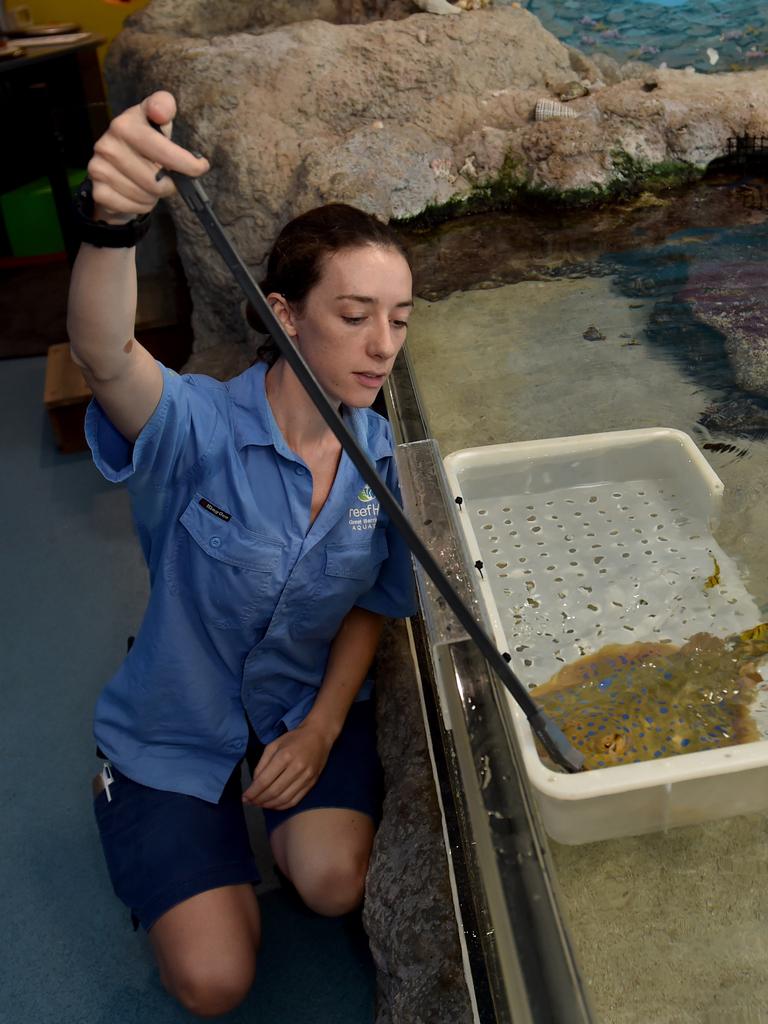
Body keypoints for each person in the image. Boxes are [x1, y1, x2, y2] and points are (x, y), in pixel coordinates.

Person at [67, 90, 416, 1018]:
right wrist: (112, 226)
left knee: (333, 882)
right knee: (216, 982)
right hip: (175, 726)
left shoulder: (382, 464)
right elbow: (105, 356)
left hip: (297, 705)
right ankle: (134, 794)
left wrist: (321, 731)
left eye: (400, 318)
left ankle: (274, 803)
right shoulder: (199, 427)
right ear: (287, 313)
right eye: (353, 315)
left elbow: (374, 603)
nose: (381, 346)